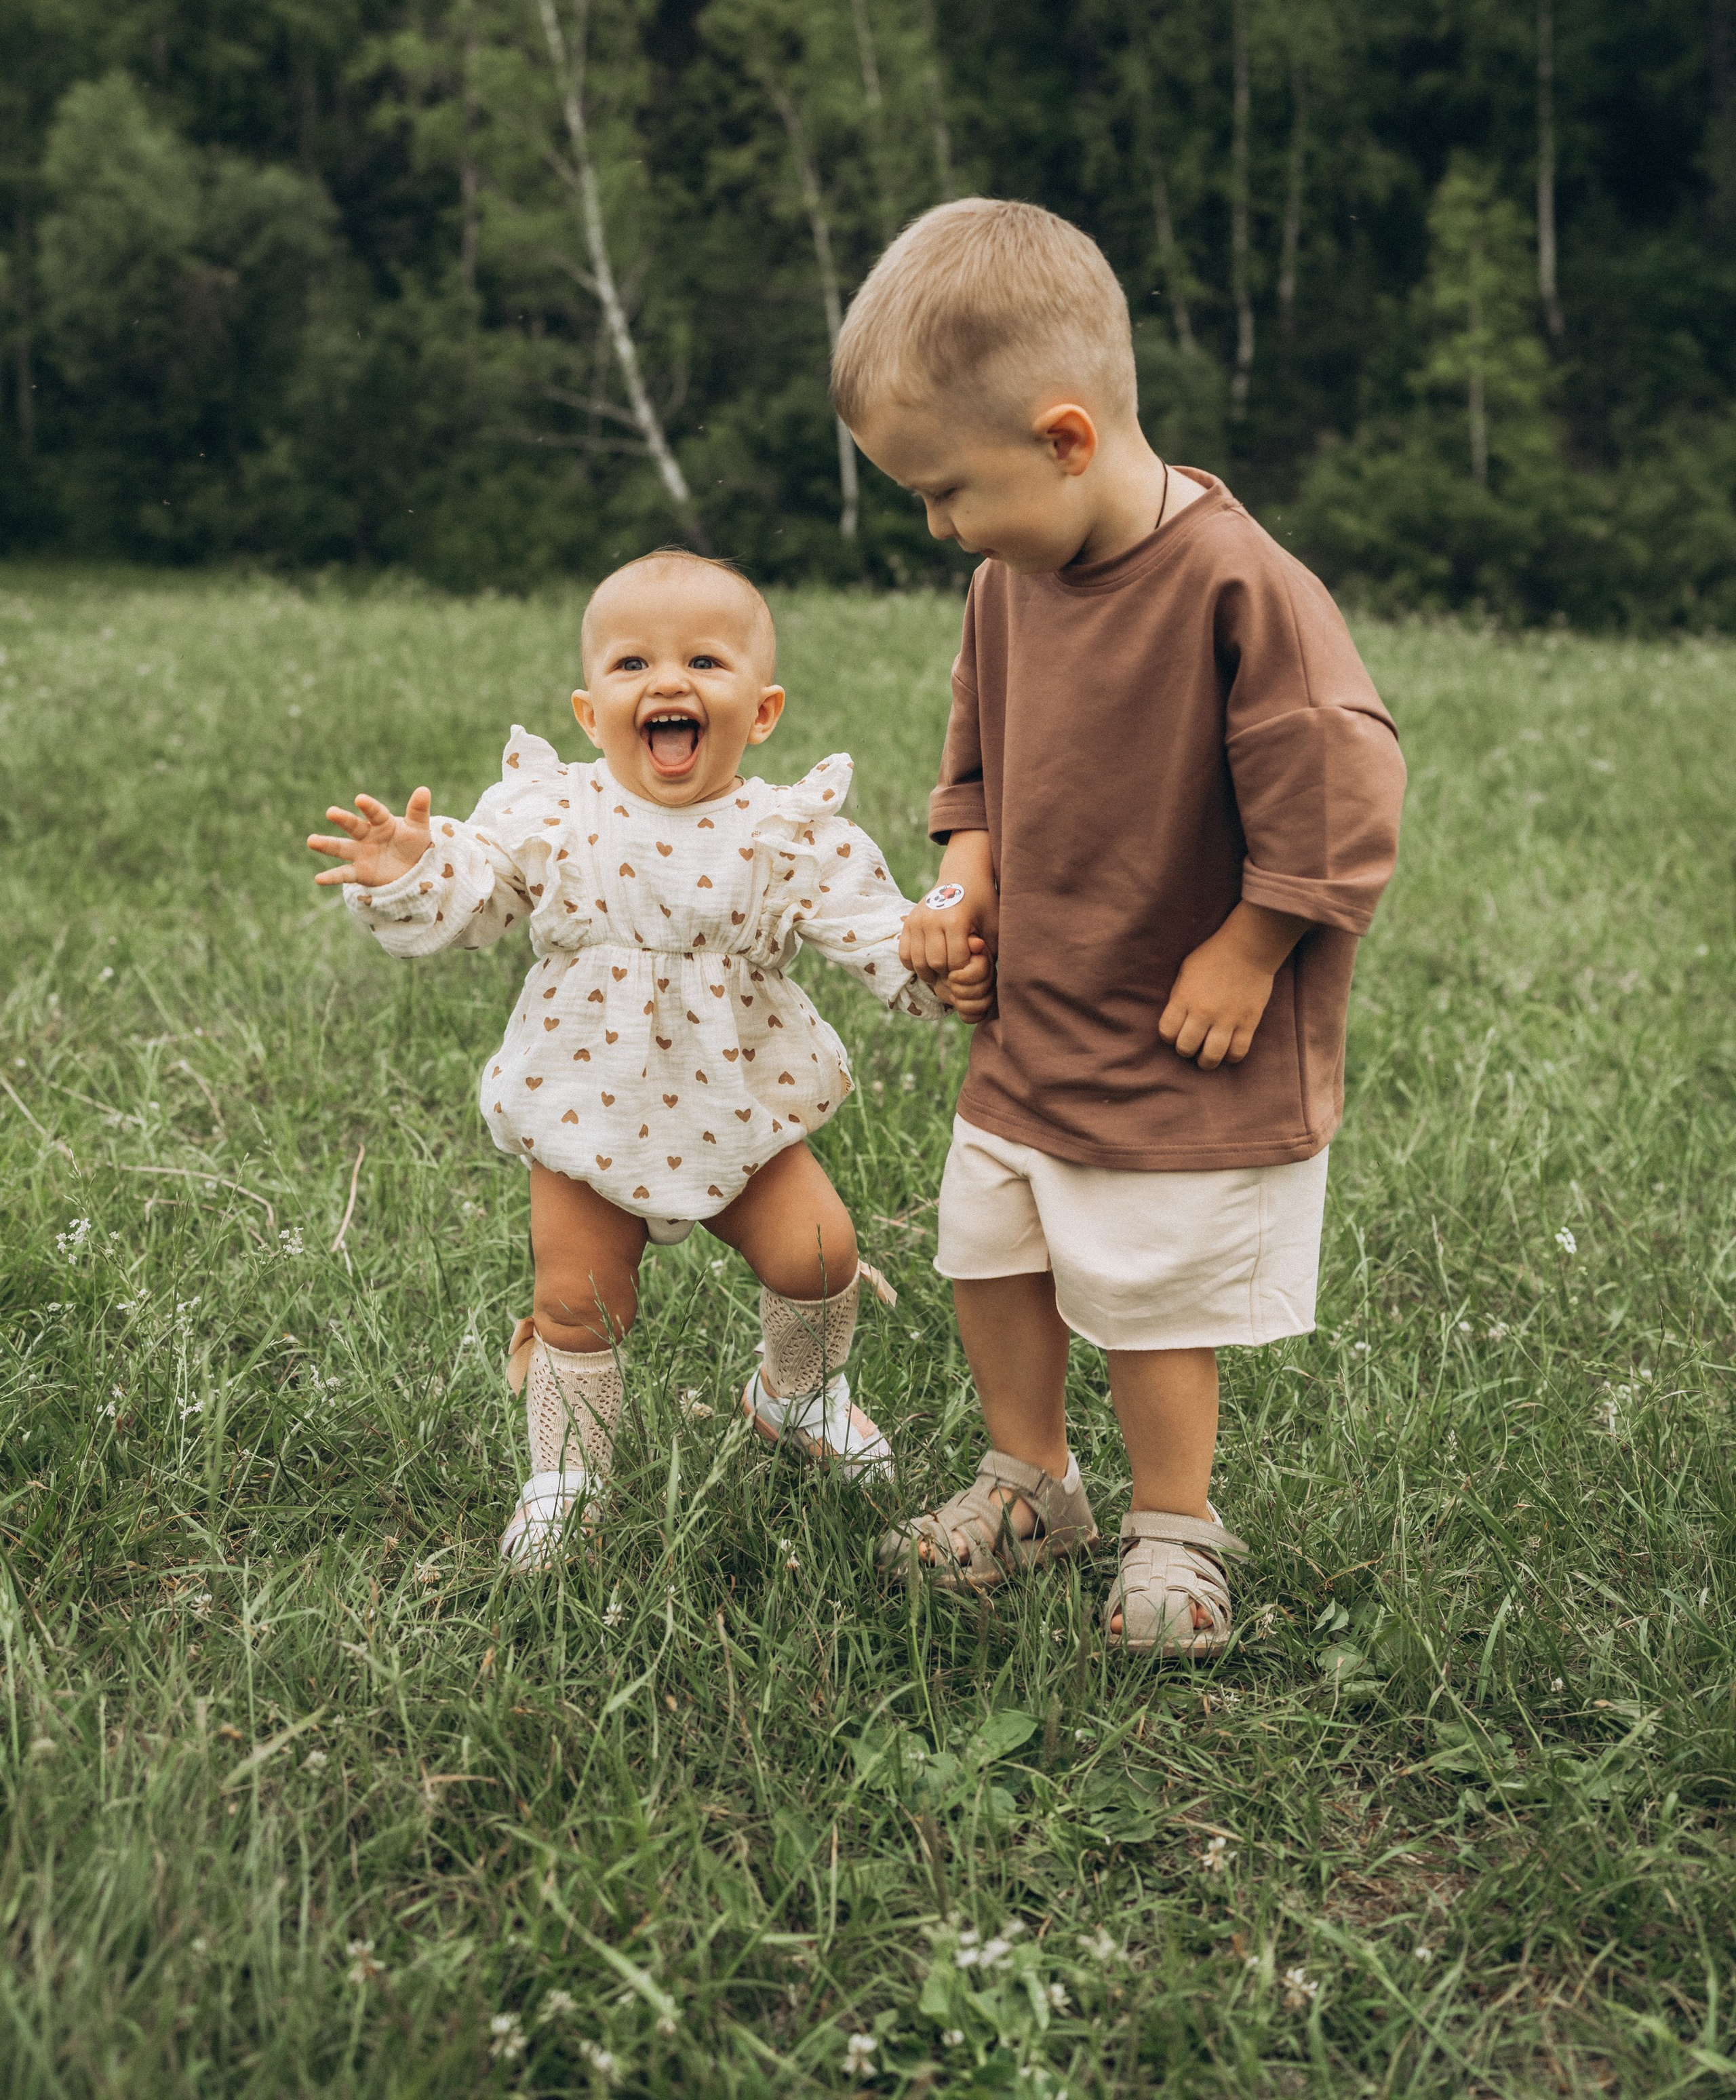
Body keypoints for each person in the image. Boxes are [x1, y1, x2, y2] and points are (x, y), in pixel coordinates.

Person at [837, 198, 1407, 1659]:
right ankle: (1031, 1481)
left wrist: (1253, 946)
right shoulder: (1006, 588)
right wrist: (962, 890)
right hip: (1034, 1028)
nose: (936, 525)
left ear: (1066, 439)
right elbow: (975, 775)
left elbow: (1342, 796)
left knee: (1150, 1292)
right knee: (990, 1254)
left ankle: (1175, 1526)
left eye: (946, 491)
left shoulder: (1240, 587)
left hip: (1177, 1037)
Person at [306, 550, 972, 1570]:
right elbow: (478, 895)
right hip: (588, 1105)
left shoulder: (784, 833)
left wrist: (935, 962)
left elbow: (873, 925)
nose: (668, 682)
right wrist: (414, 869)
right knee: (580, 1302)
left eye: (704, 661)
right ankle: (566, 1478)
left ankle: (797, 1396)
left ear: (762, 712)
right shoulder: (556, 815)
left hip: (737, 1107)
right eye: (632, 665)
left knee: (819, 1252)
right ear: (589, 712)